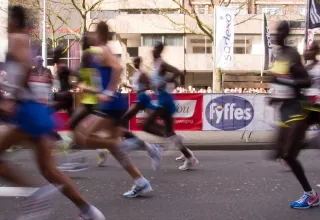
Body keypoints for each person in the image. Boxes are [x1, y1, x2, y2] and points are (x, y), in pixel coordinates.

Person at [0, 6, 105, 219]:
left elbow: (25, 64)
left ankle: (37, 195)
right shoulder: (21, 39)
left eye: (8, 20)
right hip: (33, 111)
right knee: (49, 170)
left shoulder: (15, 38)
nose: (5, 24)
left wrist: (12, 98)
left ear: (14, 21)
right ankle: (90, 212)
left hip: (26, 111)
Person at [73, 21, 152, 198]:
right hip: (113, 103)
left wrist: (108, 91)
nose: (91, 36)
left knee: (82, 135)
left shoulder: (103, 49)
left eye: (93, 33)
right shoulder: (100, 52)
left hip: (111, 104)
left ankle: (119, 144)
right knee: (116, 151)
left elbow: (118, 67)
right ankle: (140, 181)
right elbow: (107, 75)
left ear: (99, 35)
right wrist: (94, 89)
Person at [268, 21, 319, 209]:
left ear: (287, 33)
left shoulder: (292, 54)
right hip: (285, 109)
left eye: (282, 31)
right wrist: (274, 96)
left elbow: (304, 82)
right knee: (280, 153)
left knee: (289, 154)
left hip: (298, 109)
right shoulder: (278, 55)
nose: (277, 34)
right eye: (276, 31)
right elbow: (282, 81)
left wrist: (280, 80)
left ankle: (311, 195)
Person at [142, 42, 198, 170]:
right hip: (163, 99)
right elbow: (173, 80)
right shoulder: (156, 65)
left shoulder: (162, 63)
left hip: (164, 101)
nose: (152, 51)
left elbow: (177, 72)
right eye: (152, 49)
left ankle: (165, 142)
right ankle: (189, 157)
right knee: (170, 132)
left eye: (155, 49)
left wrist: (164, 82)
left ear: (159, 51)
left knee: (145, 125)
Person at [118, 56, 162, 170]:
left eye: (137, 61)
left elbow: (149, 84)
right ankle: (156, 146)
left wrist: (144, 88)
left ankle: (131, 141)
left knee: (124, 118)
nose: (135, 63)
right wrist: (126, 85)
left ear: (140, 62)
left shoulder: (142, 73)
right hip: (140, 97)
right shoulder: (137, 74)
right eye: (134, 62)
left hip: (142, 97)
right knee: (149, 122)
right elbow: (135, 87)